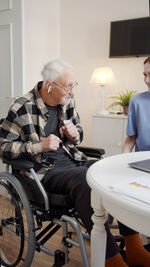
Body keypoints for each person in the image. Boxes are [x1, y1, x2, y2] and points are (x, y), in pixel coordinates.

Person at [0, 59, 149, 267]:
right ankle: (112, 259)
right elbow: (3, 147)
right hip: (43, 172)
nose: (72, 92)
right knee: (84, 179)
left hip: (71, 160)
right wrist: (39, 146)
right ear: (50, 86)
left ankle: (133, 246)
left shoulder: (67, 101)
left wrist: (75, 134)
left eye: (73, 86)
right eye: (68, 87)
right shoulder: (23, 107)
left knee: (110, 171)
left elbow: (78, 134)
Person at [123, 56, 150, 153]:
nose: (147, 80)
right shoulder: (136, 101)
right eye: (145, 75)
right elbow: (131, 138)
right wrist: (122, 161)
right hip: (141, 161)